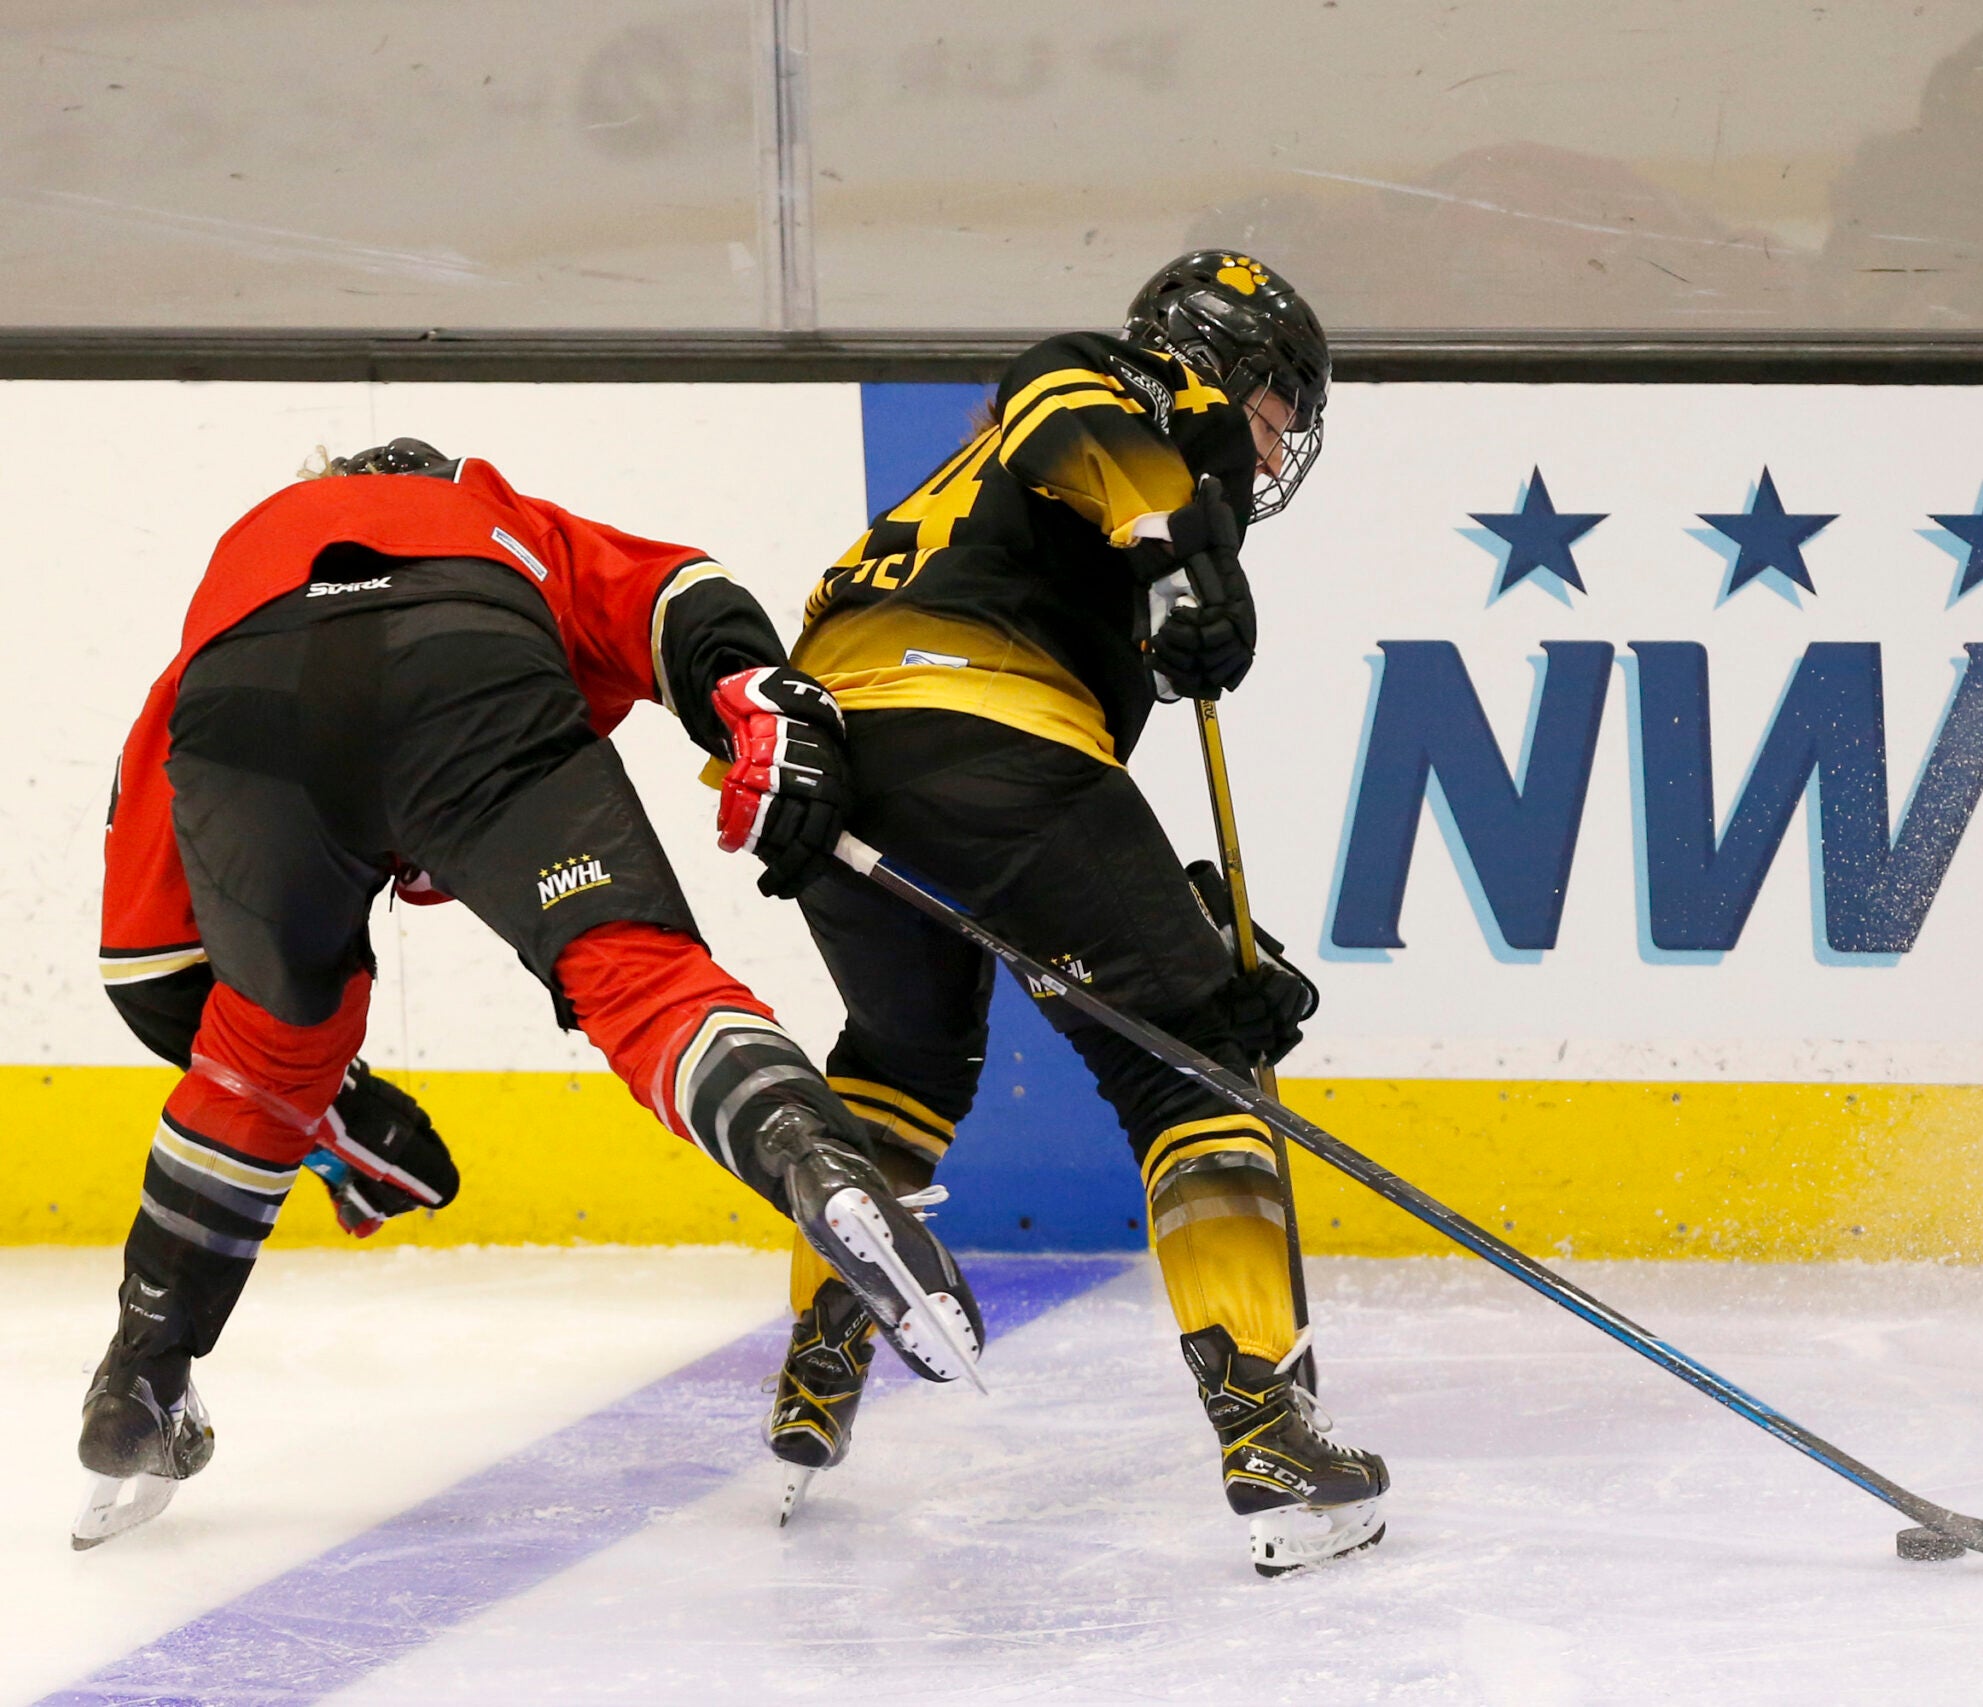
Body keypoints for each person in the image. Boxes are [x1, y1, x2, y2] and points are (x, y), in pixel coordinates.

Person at [76, 441, 984, 1549]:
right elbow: (675, 593)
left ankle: (139, 1378)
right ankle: (819, 1160)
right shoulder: (486, 511)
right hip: (463, 659)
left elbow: (150, 972)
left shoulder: (230, 587)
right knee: (637, 976)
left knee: (258, 1051)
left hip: (245, 710)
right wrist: (747, 695)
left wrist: (336, 1111)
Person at [760, 251, 1388, 1575]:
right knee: (1192, 1069)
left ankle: (821, 1364)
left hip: (836, 766)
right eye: (1277, 405)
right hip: (984, 725)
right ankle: (1265, 1416)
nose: (1277, 445)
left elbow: (1060, 872)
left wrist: (1195, 940)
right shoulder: (1113, 388)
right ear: (1216, 363)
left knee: (904, 1061)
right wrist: (1177, 553)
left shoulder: (1034, 500)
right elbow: (1068, 416)